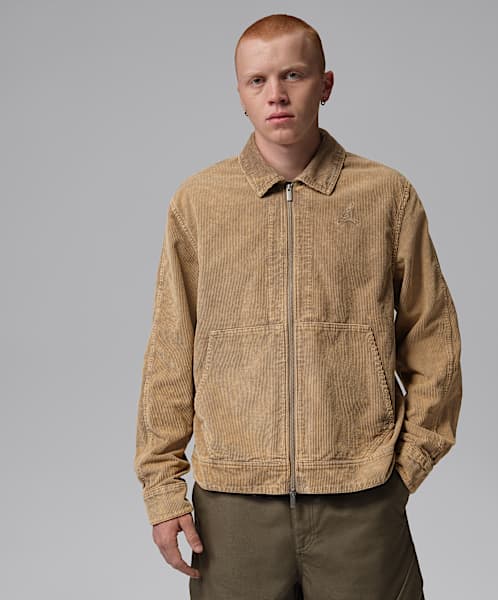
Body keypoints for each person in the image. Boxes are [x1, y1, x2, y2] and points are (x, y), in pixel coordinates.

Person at [134, 13, 462, 600]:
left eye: (293, 75)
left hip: (360, 496)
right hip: (232, 504)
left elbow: (433, 338)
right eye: (257, 80)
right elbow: (169, 351)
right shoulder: (199, 202)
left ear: (325, 84)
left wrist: (406, 468)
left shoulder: (386, 195)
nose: (276, 94)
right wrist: (163, 490)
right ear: (240, 94)